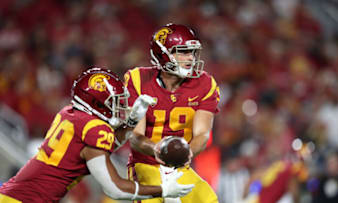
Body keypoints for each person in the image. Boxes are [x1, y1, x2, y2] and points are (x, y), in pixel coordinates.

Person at [0, 67, 194, 203]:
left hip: (14, 196)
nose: (118, 107)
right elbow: (115, 189)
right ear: (97, 102)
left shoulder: (69, 113)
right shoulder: (94, 129)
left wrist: (132, 122)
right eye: (113, 102)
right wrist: (163, 190)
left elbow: (100, 149)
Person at [124, 23, 220, 203]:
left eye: (192, 52)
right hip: (145, 164)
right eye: (183, 52)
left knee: (208, 199)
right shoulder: (138, 80)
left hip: (180, 167)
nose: (190, 58)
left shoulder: (205, 84)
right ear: (162, 54)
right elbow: (135, 136)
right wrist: (159, 150)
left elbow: (202, 134)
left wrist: (185, 154)